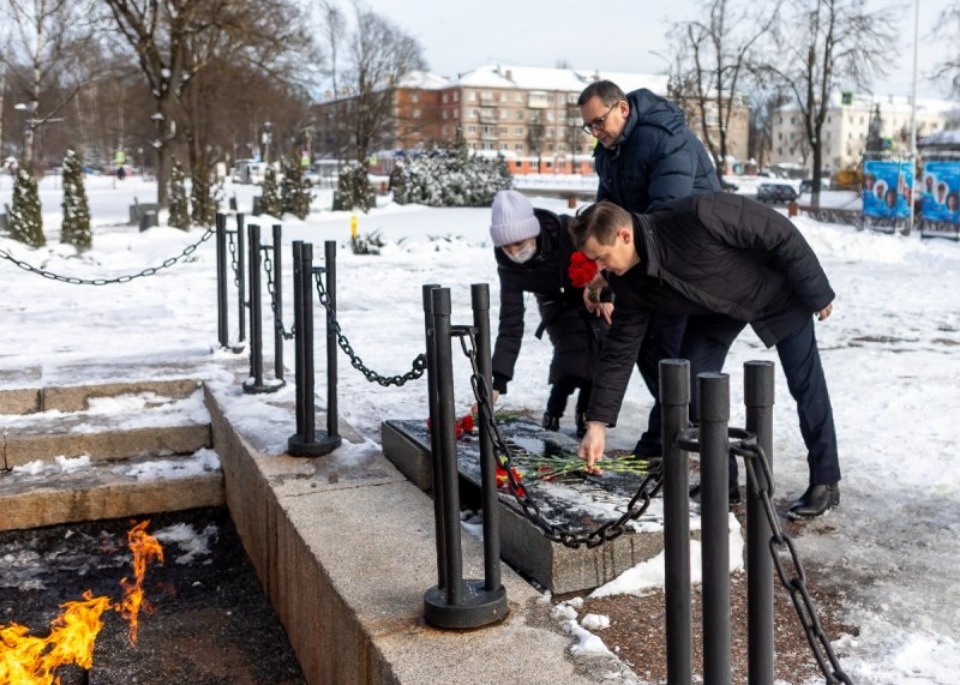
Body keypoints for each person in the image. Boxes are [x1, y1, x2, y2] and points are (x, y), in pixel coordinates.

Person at [570, 194, 841, 519]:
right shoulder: (629, 280)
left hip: (774, 291)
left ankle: (825, 482)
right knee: (696, 385)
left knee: (805, 384)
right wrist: (597, 424)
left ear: (623, 235)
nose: (600, 270)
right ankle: (723, 480)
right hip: (715, 310)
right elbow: (619, 350)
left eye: (601, 257)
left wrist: (817, 293)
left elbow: (778, 230)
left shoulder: (698, 214)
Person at [577, 79, 721, 462]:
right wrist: (602, 274)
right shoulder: (609, 151)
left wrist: (617, 273)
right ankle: (665, 435)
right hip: (644, 254)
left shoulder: (663, 137)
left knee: (672, 352)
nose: (595, 132)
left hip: (686, 256)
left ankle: (675, 444)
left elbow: (666, 216)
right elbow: (605, 218)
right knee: (643, 345)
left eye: (598, 122)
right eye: (588, 126)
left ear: (622, 109)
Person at [486, 190, 608, 437]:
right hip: (554, 302)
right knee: (571, 354)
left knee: (601, 349)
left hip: (592, 290)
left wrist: (603, 295)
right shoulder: (508, 266)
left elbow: (604, 261)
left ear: (534, 232)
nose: (513, 252)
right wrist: (497, 379)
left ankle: (587, 412)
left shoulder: (567, 232)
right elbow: (510, 323)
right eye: (505, 246)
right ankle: (554, 410)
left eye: (519, 243)